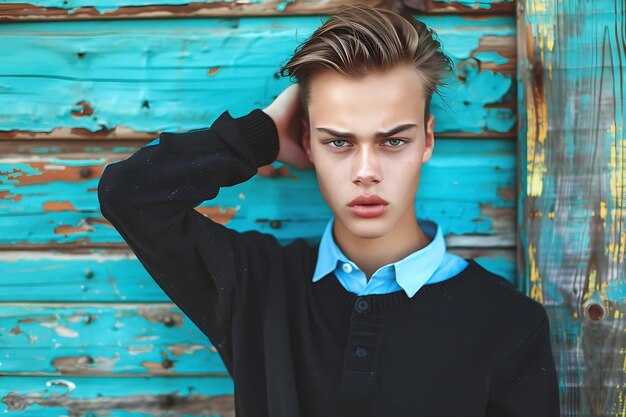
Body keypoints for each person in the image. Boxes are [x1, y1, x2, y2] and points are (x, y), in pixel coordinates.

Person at [97, 4, 560, 416]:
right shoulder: (256, 286)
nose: (365, 171)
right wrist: (261, 135)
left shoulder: (509, 323)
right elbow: (129, 194)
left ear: (428, 140)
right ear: (306, 143)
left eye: (393, 140)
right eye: (338, 141)